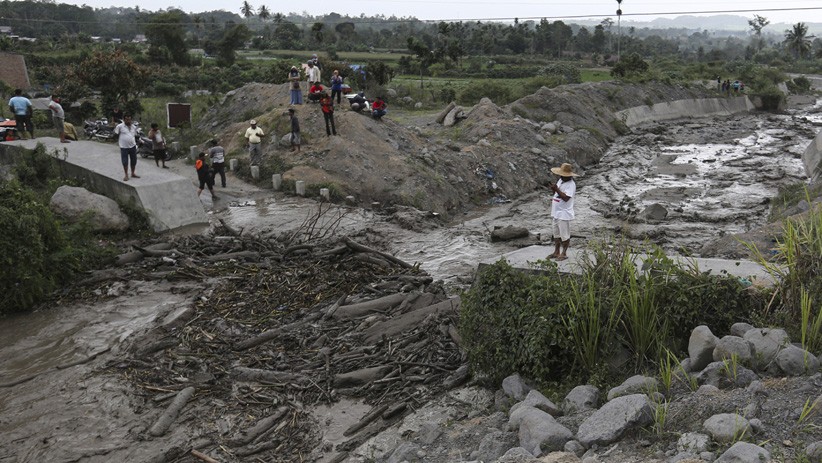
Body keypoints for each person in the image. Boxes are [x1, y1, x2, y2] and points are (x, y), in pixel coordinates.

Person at [548, 163, 578, 261]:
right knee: (556, 233)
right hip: (556, 212)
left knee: (564, 235)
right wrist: (554, 189)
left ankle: (564, 253)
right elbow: (557, 194)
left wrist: (556, 189)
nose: (561, 176)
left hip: (564, 213)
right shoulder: (561, 180)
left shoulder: (571, 185)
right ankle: (556, 252)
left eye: (564, 175)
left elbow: (565, 198)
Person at [114, 114, 140, 181]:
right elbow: (115, 134)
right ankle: (126, 175)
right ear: (124, 119)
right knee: (125, 161)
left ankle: (133, 173)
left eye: (129, 119)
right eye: (127, 119)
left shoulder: (134, 127)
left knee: (134, 161)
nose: (128, 121)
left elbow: (135, 135)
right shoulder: (120, 126)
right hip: (124, 147)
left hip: (133, 146)